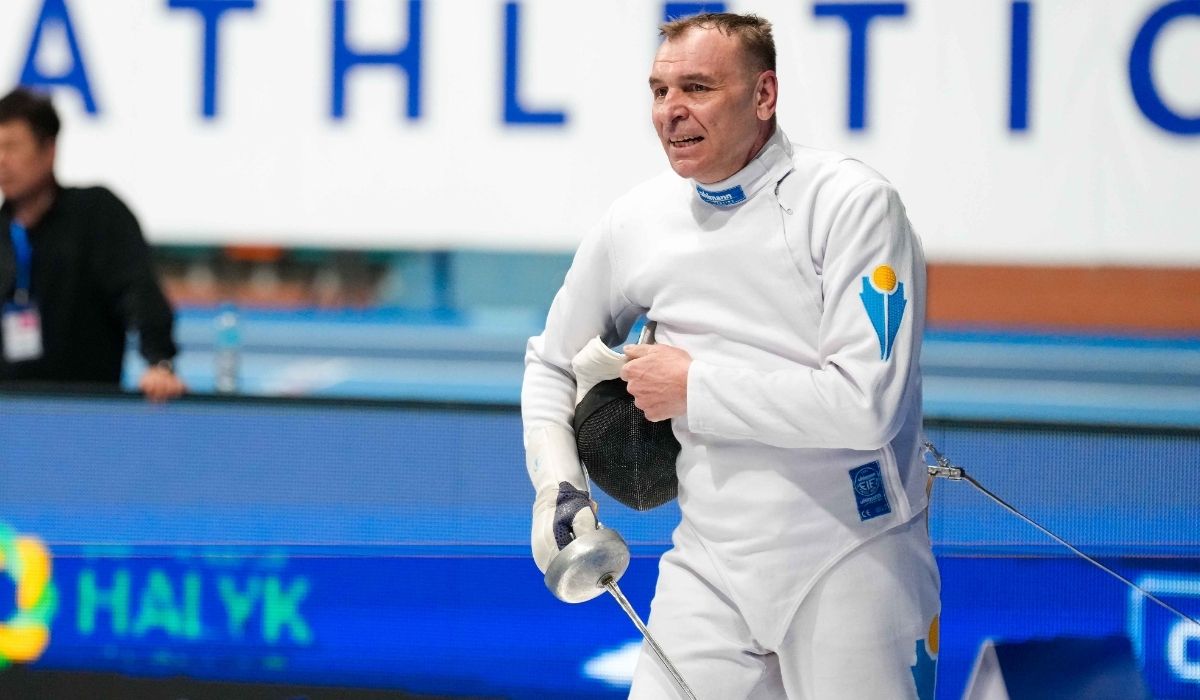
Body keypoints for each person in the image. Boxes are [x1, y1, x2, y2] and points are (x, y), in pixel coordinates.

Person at [522, 12, 939, 699]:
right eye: (659, 91)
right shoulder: (637, 222)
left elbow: (867, 406)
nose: (671, 110)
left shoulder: (852, 205)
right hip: (709, 565)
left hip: (855, 556)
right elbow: (552, 363)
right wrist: (558, 488)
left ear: (763, 95)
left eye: (697, 88)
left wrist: (695, 388)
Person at [0, 87, 185, 402]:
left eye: (12, 147)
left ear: (49, 150)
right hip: (9, 411)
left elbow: (138, 292)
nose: (2, 160)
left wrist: (159, 362)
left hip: (87, 410)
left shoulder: (96, 215)